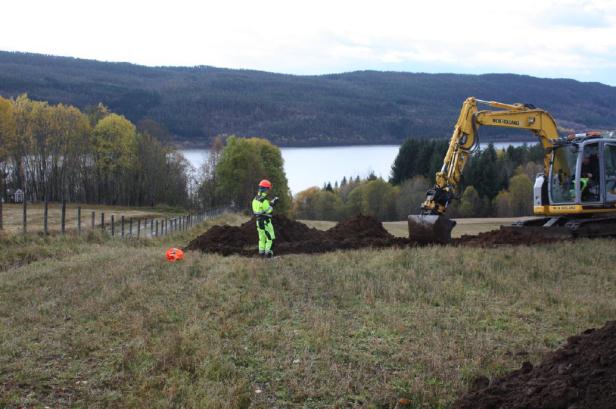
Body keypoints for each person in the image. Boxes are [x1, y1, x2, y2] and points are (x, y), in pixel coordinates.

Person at [252, 179, 279, 258]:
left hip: (258, 221)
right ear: (265, 189)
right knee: (270, 239)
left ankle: (261, 255)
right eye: (268, 189)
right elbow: (269, 210)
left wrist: (270, 203)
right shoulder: (264, 200)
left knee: (262, 238)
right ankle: (268, 257)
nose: (268, 191)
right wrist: (273, 204)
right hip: (265, 222)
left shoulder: (255, 199)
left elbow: (261, 208)